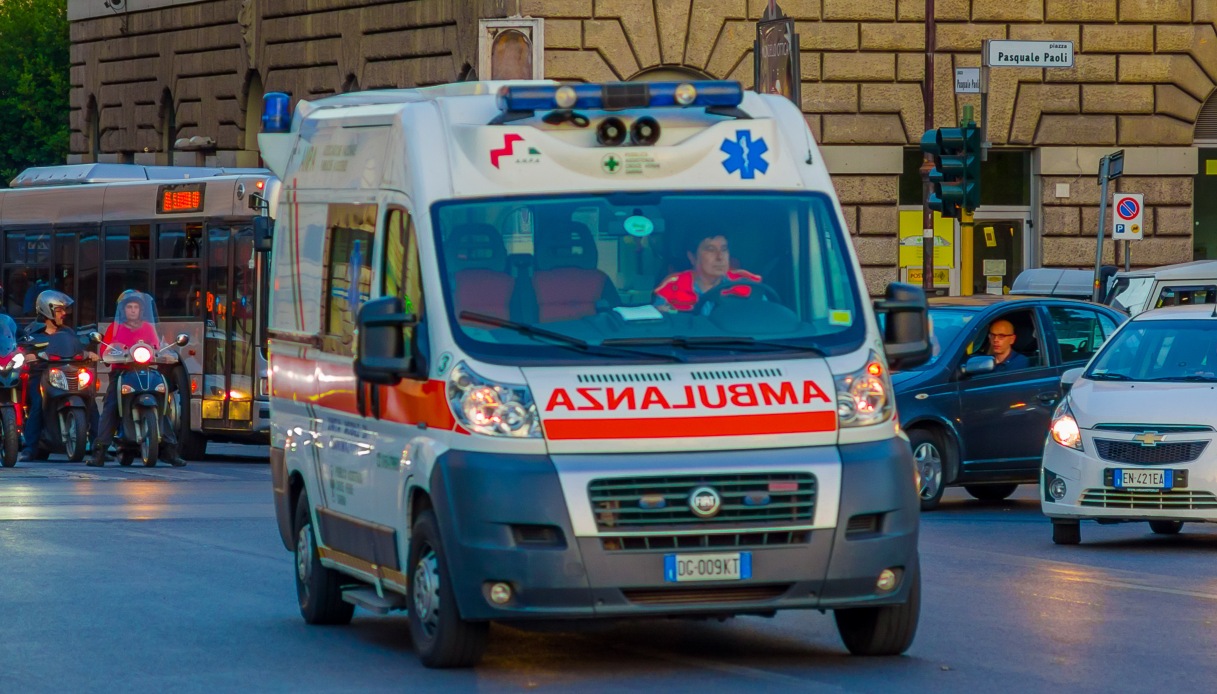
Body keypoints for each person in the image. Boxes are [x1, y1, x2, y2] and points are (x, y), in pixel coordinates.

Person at [89, 291, 185, 467]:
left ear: (141, 310)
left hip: (146, 370)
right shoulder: (114, 328)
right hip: (122, 372)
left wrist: (164, 352)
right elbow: (106, 350)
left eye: (136, 307)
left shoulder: (148, 327)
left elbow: (157, 346)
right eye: (129, 307)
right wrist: (111, 352)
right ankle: (100, 451)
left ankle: (170, 450)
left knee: (162, 403)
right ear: (123, 310)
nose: (132, 310)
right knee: (110, 405)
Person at [19, 291, 96, 461]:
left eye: (64, 310)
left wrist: (88, 353)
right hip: (41, 374)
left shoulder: (68, 332)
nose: (64, 313)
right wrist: (29, 355)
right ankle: (29, 447)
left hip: (69, 372)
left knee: (89, 397)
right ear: (47, 310)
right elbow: (23, 348)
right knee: (38, 402)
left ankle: (98, 444)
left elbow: (77, 347)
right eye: (60, 310)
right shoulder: (32, 331)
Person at [653, 233, 761, 313]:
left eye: (724, 250)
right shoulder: (672, 288)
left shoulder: (748, 286)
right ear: (692, 257)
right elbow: (659, 326)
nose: (720, 257)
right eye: (711, 250)